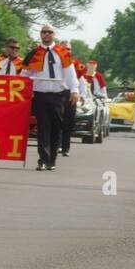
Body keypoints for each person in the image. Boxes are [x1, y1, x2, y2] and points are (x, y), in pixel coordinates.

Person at [21, 24, 79, 171]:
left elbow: (70, 73)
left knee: (55, 127)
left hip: (58, 95)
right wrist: (24, 87)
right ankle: (43, 159)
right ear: (40, 34)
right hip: (40, 95)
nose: (46, 34)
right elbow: (24, 75)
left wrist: (74, 90)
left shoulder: (63, 52)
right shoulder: (33, 53)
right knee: (43, 127)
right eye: (44, 32)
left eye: (49, 32)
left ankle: (51, 160)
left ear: (54, 34)